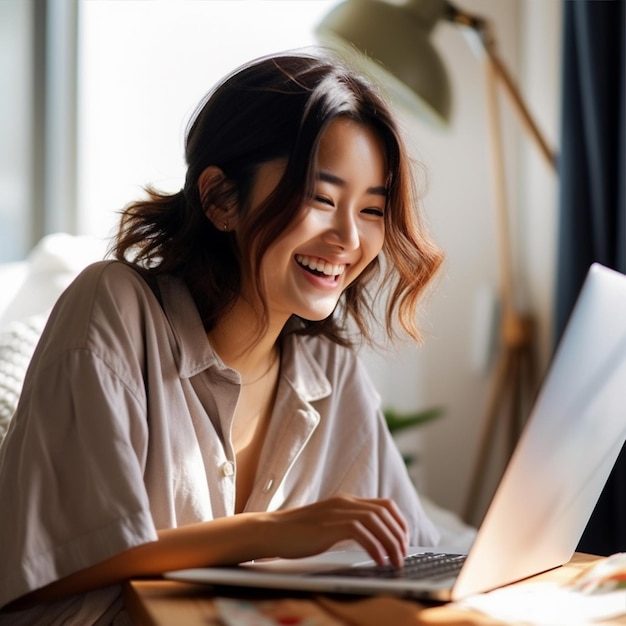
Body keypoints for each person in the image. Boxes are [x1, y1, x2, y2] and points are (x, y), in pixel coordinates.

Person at [0, 49, 444, 624]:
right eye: (321, 199)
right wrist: (275, 532)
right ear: (220, 199)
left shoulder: (328, 366)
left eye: (370, 210)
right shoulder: (113, 306)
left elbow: (408, 548)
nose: (347, 239)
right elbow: (36, 572)